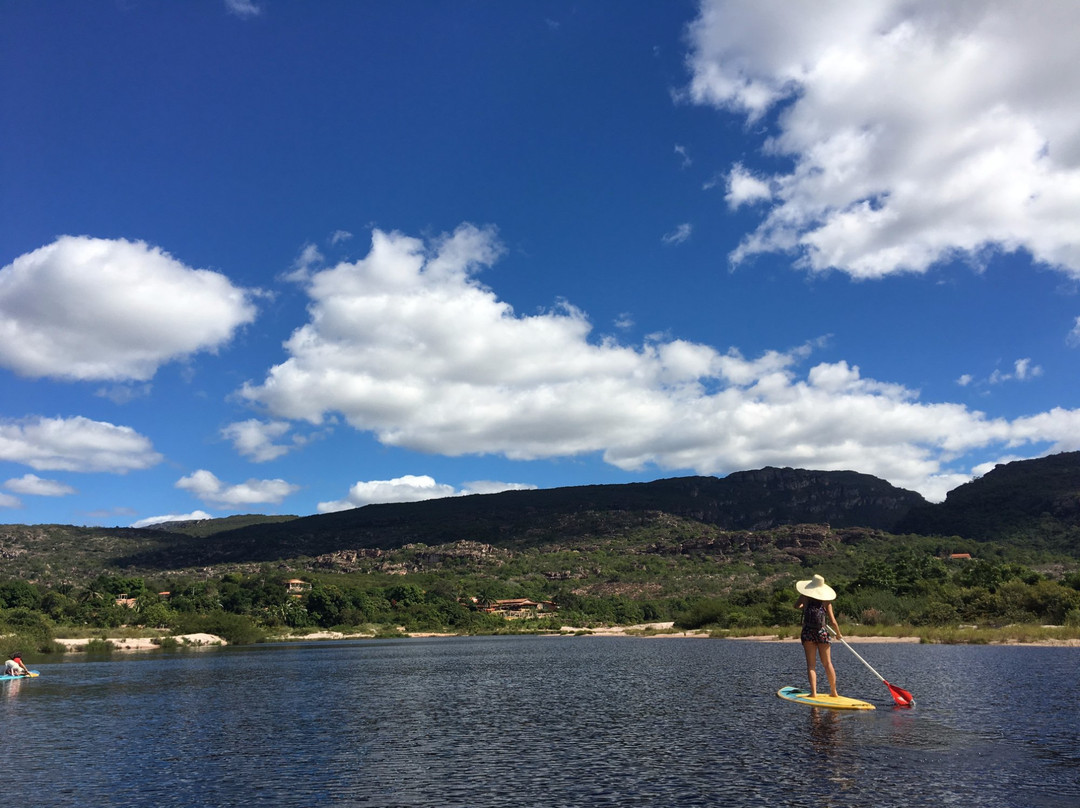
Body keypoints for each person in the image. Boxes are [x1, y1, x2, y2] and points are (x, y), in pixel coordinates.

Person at [795, 574, 842, 698]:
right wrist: (838, 634)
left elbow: (796, 606)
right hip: (822, 633)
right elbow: (833, 621)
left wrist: (803, 606)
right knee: (827, 663)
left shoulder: (804, 597)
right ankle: (834, 692)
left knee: (811, 665)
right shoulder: (826, 601)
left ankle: (814, 693)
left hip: (807, 633)